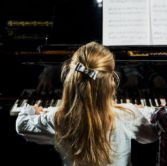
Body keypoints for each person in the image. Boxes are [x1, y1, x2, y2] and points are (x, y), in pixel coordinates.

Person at [16, 41, 158, 166]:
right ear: (111, 82)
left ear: (71, 79)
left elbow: (21, 125)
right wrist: (142, 110)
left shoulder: (57, 118)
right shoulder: (127, 115)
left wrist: (31, 110)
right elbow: (153, 134)